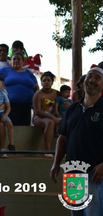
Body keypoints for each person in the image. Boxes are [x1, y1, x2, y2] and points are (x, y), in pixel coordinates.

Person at [50, 65, 103, 215]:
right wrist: (56, 163)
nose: (92, 80)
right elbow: (62, 138)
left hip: (95, 176)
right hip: (73, 175)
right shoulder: (73, 109)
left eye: (97, 78)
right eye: (89, 76)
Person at [0, 51, 39, 125]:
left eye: (18, 59)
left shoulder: (28, 73)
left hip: (26, 106)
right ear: (11, 62)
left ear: (23, 62)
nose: (16, 61)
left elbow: (36, 87)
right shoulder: (5, 70)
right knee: (10, 128)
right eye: (14, 59)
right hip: (9, 106)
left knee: (24, 128)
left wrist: (36, 103)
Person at [32, 71, 60, 158]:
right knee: (50, 122)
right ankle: (47, 151)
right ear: (41, 83)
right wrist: (52, 118)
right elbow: (37, 111)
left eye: (48, 80)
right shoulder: (38, 94)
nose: (46, 82)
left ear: (52, 82)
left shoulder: (57, 93)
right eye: (44, 80)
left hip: (54, 116)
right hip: (39, 117)